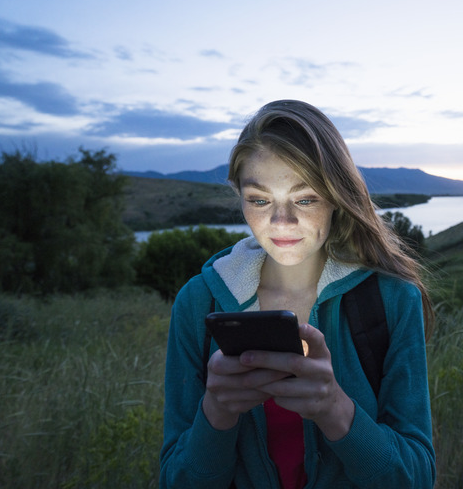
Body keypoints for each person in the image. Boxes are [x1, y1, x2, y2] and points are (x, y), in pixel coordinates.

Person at [159, 100, 436, 488]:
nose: (281, 221)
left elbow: (416, 478)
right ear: (238, 194)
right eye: (259, 200)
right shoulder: (198, 302)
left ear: (337, 197)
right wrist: (216, 413)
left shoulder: (390, 299)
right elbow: (177, 480)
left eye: (304, 199)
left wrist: (335, 409)